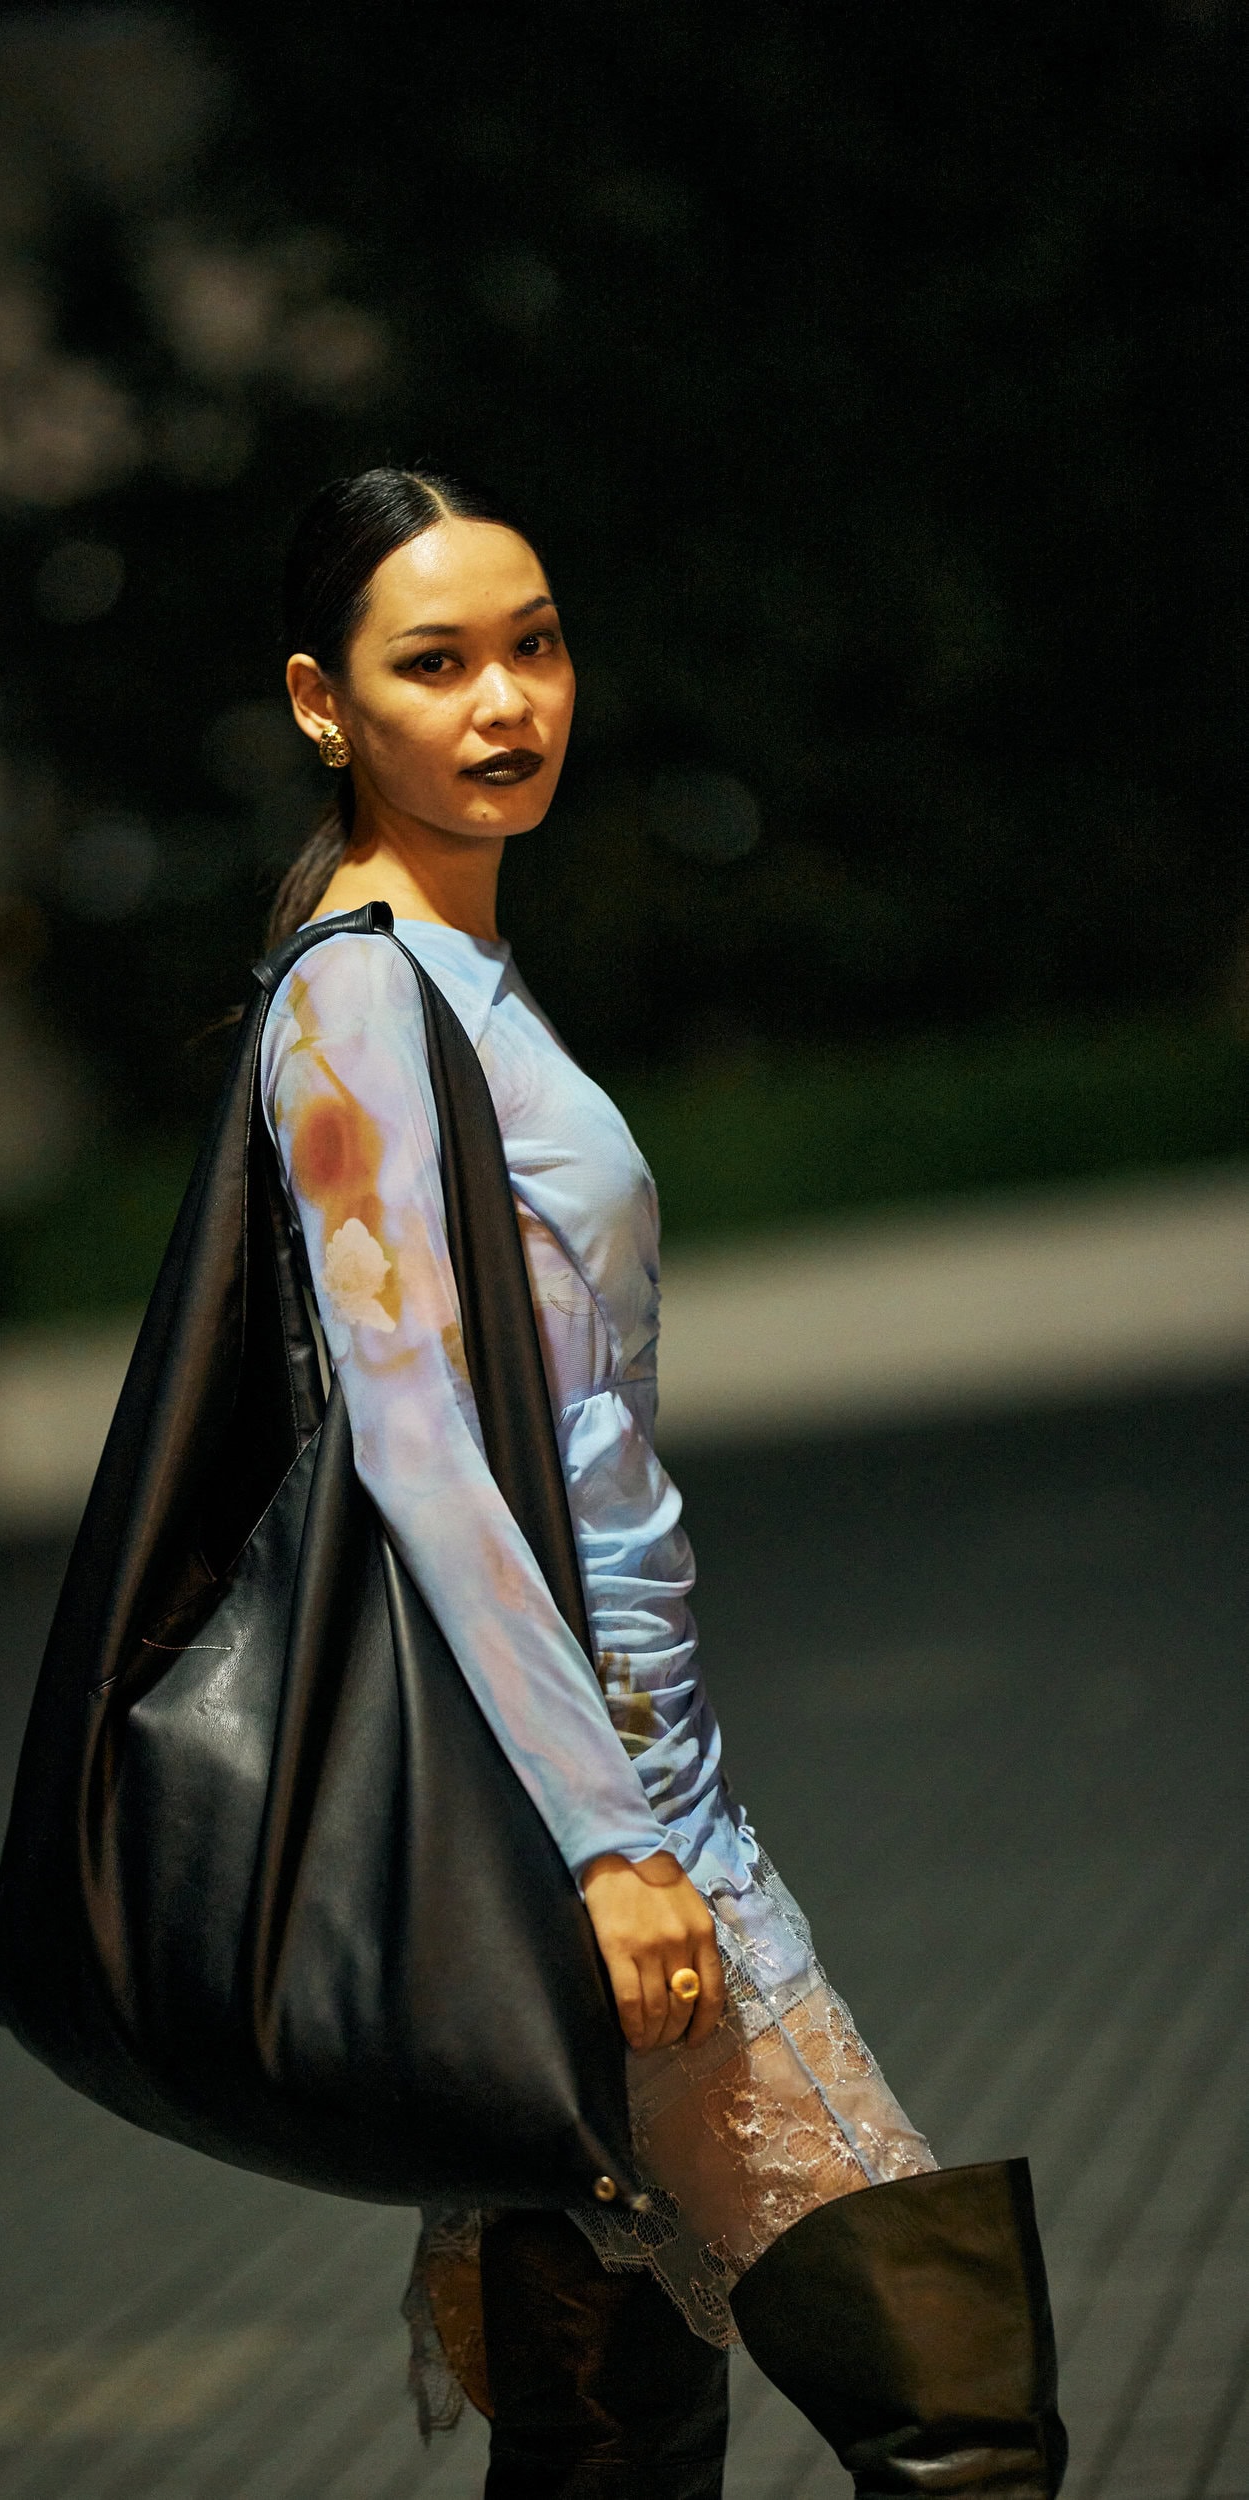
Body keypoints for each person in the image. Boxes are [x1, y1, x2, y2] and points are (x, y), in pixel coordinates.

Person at [257, 466, 1067, 2498]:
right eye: (432, 663)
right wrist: (615, 1844)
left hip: (618, 1771)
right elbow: (421, 1447)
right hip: (605, 1810)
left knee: (605, 2439)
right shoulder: (359, 994)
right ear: (322, 705)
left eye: (533, 644)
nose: (506, 700)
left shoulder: (460, 969)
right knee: (960, 2411)